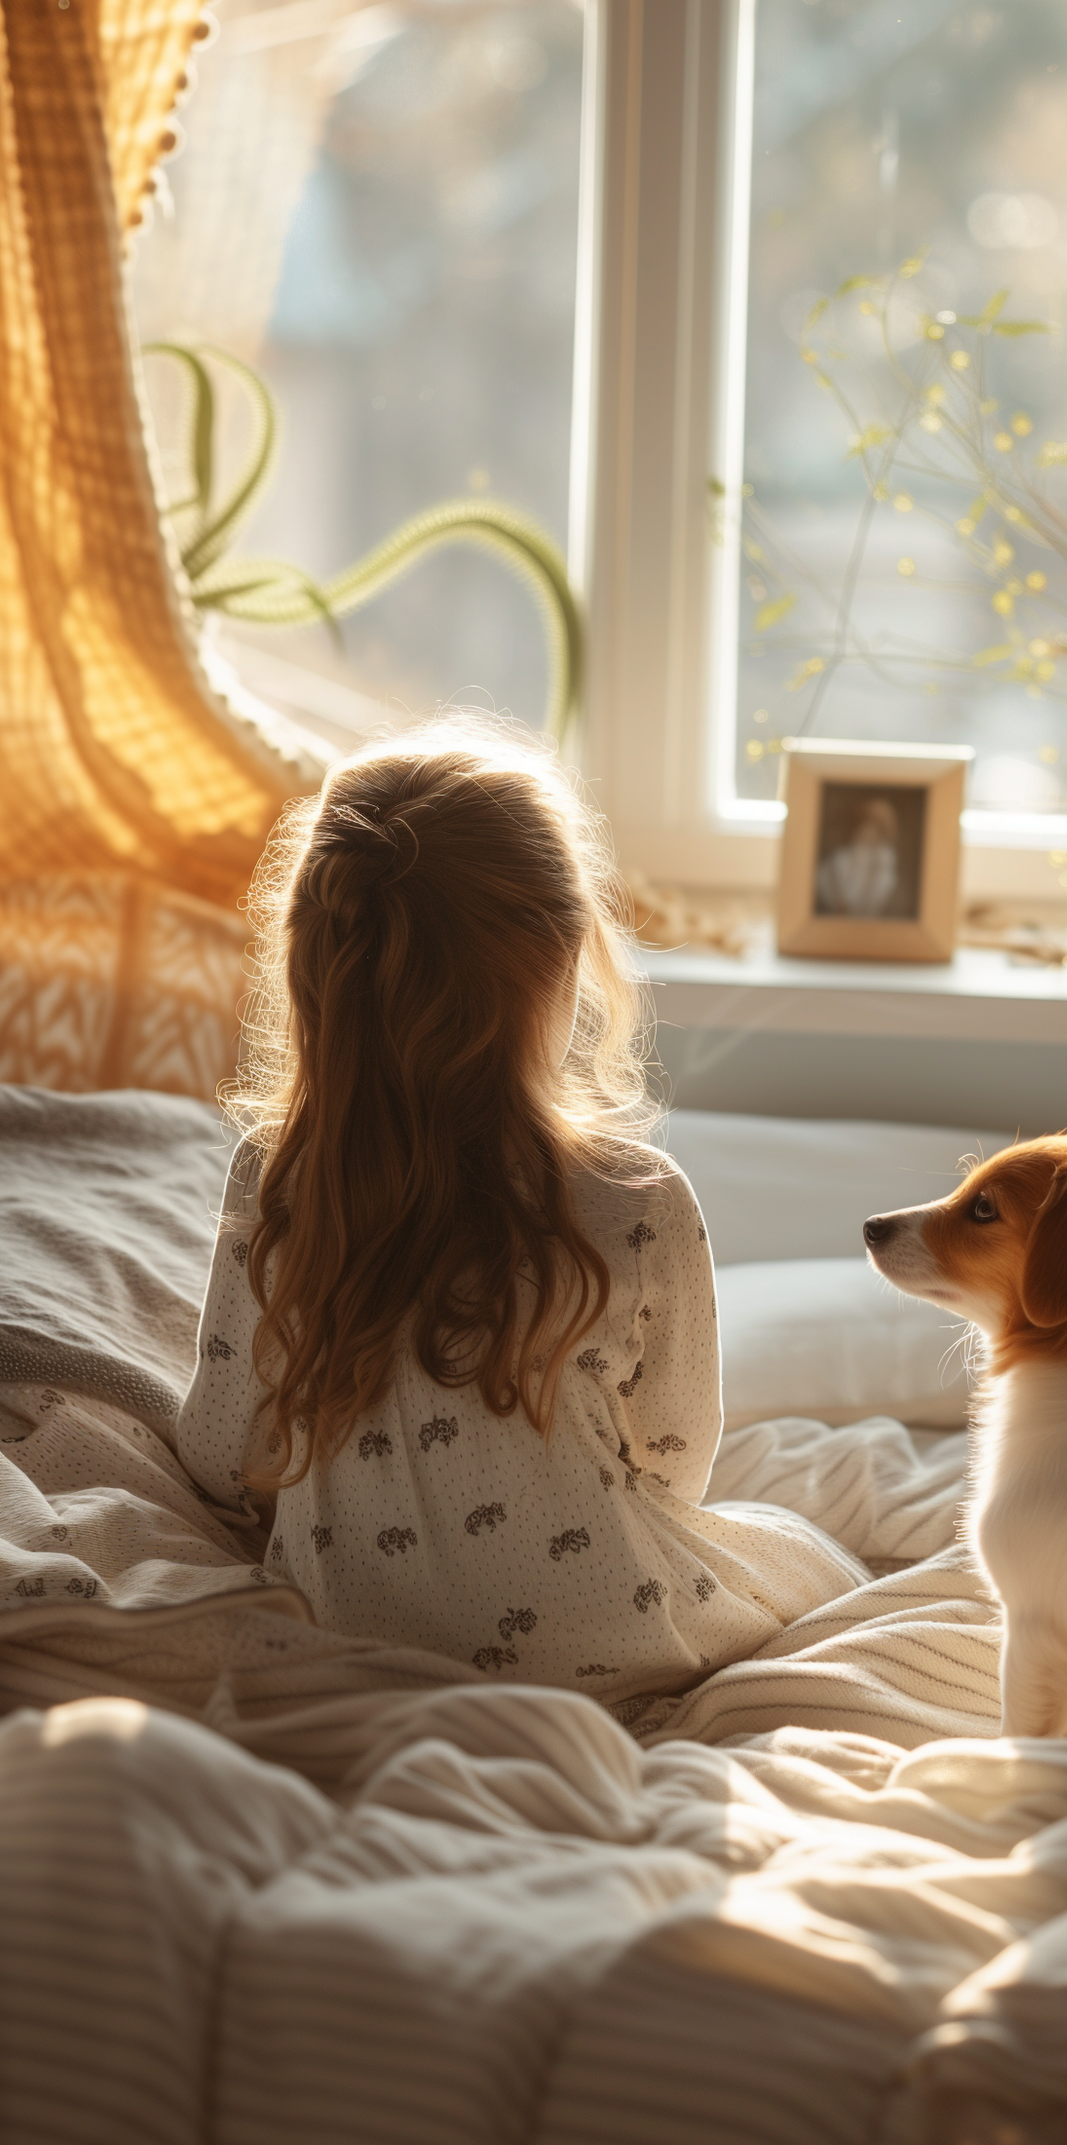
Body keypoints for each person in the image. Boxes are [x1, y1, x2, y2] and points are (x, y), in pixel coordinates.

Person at [178, 719, 862, 1702]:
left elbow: (217, 1452)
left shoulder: (276, 1179)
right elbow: (673, 1469)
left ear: (318, 969)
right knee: (809, 1558)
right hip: (610, 1635)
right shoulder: (638, 1201)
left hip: (352, 1628)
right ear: (562, 955)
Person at [815, 792, 904, 918]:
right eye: (864, 826)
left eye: (874, 828)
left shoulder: (884, 858)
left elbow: (882, 889)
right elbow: (832, 890)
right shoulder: (840, 858)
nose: (867, 832)